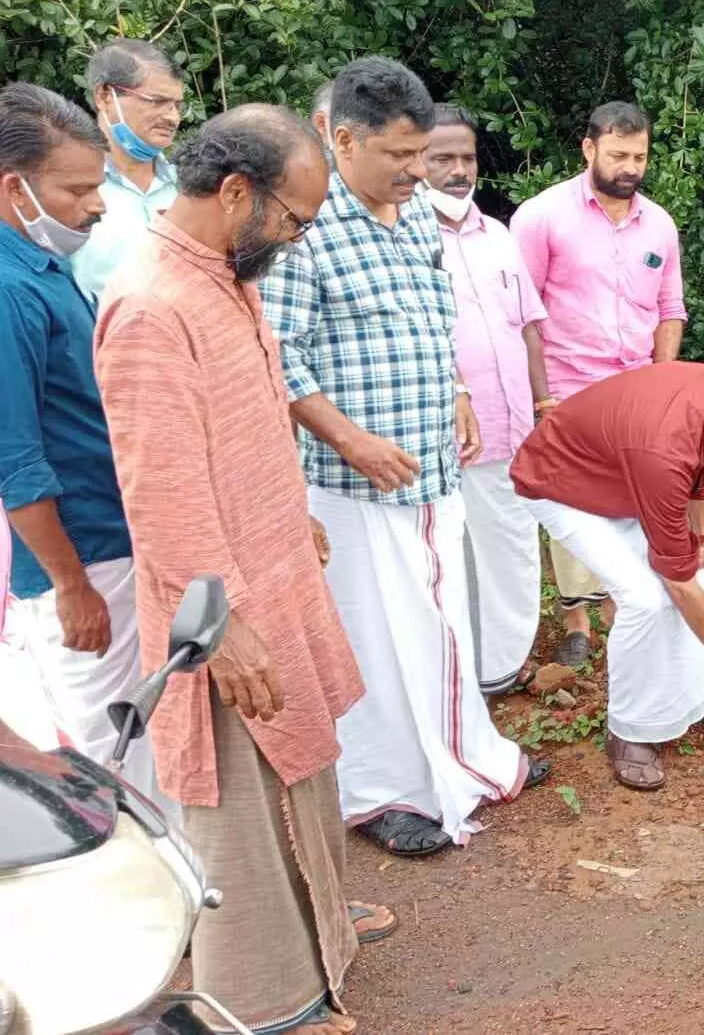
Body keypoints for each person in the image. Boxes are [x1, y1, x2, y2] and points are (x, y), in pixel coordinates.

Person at [96, 103, 397, 1035]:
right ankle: (268, 1004)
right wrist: (217, 630)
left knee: (302, 776)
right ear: (237, 194)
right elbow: (163, 497)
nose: (300, 240)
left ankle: (320, 927)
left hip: (272, 572)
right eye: (297, 220)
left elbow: (249, 422)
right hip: (220, 611)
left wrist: (294, 513)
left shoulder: (229, 274)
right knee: (239, 811)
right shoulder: (152, 305)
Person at [260, 56, 542, 859]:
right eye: (399, 157)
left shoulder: (416, 213)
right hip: (351, 484)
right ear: (341, 139)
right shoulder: (303, 227)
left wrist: (454, 389)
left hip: (431, 466)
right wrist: (347, 437)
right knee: (373, 638)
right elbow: (278, 354)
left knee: (441, 623)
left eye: (423, 155)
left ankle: (470, 759)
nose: (418, 172)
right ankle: (381, 792)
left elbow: (432, 310)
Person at [0, 81, 171, 813]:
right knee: (116, 755)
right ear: (15, 188)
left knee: (143, 739)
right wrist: (71, 586)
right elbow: (17, 462)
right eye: (76, 190)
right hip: (85, 556)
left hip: (108, 539)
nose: (96, 205)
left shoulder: (42, 268)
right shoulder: (7, 290)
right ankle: (163, 913)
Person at [511, 362, 704, 790]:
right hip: (562, 485)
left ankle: (689, 699)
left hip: (623, 477)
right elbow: (677, 580)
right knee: (647, 598)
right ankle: (630, 731)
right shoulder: (664, 452)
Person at [510, 101, 685, 666]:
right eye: (618, 155)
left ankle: (621, 605)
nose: (630, 166)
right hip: (568, 387)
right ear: (588, 149)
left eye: (640, 155)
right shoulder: (541, 218)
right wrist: (539, 397)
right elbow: (521, 312)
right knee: (570, 502)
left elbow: (670, 309)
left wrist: (661, 385)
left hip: (634, 390)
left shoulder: (659, 223)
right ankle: (575, 621)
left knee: (632, 497)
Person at [424, 104, 553, 694]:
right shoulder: (405, 238)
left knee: (512, 549)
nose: (458, 170)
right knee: (452, 558)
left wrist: (545, 407)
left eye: (466, 157)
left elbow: (529, 326)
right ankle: (459, 673)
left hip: (513, 430)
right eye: (442, 157)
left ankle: (502, 666)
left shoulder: (497, 236)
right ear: (415, 160)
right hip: (445, 435)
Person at [70, 38, 184, 297]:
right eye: (156, 101)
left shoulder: (188, 185)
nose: (172, 118)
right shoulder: (68, 190)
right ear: (105, 96)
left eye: (177, 105)